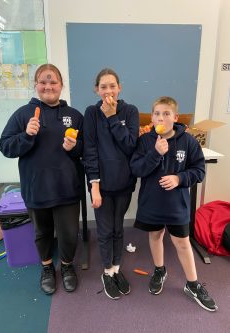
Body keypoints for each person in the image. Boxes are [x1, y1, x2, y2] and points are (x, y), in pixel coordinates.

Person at [0, 64, 83, 295]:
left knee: (68, 233)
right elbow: (5, 146)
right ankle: (46, 267)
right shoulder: (23, 114)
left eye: (53, 82)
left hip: (67, 188)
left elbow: (86, 151)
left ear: (61, 85)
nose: (48, 86)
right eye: (43, 82)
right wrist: (26, 135)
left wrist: (74, 148)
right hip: (36, 188)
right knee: (42, 232)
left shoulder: (74, 116)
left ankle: (66, 267)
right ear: (35, 85)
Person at [130, 96, 218, 312]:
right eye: (157, 114)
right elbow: (137, 169)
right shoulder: (145, 141)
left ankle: (193, 284)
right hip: (152, 203)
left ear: (175, 117)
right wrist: (155, 153)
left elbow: (199, 170)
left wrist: (179, 179)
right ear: (151, 118)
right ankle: (159, 270)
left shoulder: (188, 141)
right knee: (155, 235)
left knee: (182, 242)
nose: (161, 117)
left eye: (166, 113)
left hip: (177, 205)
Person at [83, 68, 139, 300]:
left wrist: (113, 117)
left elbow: (129, 146)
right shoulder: (91, 113)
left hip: (124, 182)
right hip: (101, 185)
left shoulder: (130, 111)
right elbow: (90, 150)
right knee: (105, 230)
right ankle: (107, 271)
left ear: (119, 87)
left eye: (112, 86)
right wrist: (94, 185)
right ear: (97, 89)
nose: (108, 91)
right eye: (103, 87)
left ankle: (116, 268)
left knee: (118, 227)